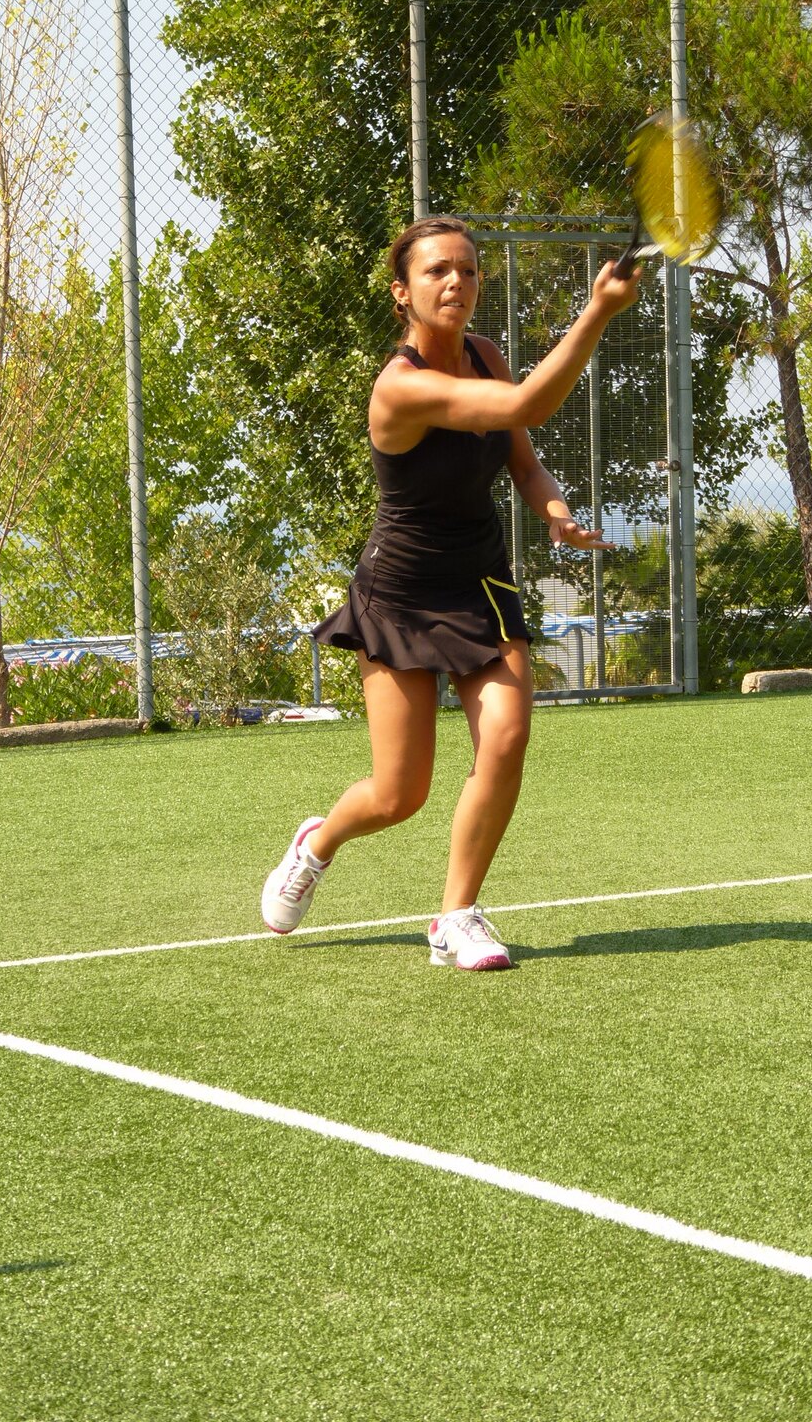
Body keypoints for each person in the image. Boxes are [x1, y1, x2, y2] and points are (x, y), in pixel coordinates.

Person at [261, 215, 641, 970]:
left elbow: (522, 457)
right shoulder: (400, 387)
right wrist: (597, 310)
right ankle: (317, 843)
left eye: (467, 269)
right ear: (401, 292)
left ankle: (456, 916)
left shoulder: (486, 356)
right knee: (398, 795)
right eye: (437, 270)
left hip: (481, 583)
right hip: (400, 594)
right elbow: (525, 406)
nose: (456, 282)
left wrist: (555, 512)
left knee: (506, 737)